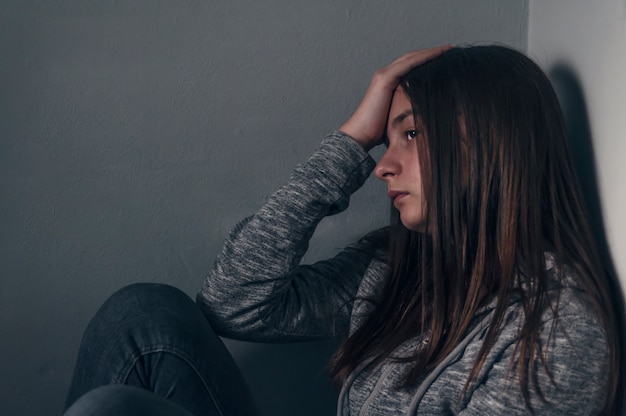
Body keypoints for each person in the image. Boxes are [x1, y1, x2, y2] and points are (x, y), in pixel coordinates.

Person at [63, 45, 624, 415]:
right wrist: (351, 141)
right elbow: (231, 303)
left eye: (409, 135)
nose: (383, 165)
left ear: (486, 143)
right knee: (142, 317)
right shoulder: (396, 268)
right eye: (386, 141)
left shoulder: (554, 330)